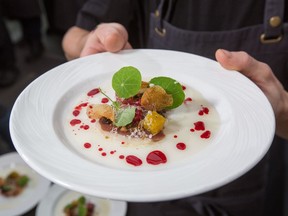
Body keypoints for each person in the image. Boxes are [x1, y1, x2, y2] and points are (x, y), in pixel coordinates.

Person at [62, 1, 288, 215]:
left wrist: (282, 108)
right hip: (146, 185)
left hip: (248, 184)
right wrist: (89, 42)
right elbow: (72, 37)